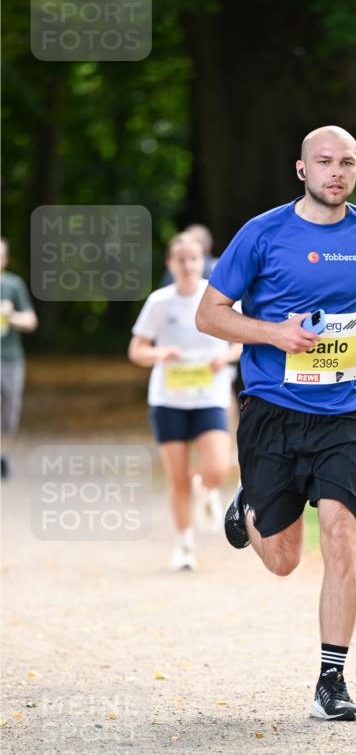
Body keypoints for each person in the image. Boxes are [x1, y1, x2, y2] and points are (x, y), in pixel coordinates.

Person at [195, 125, 356, 721]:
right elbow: (209, 315)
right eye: (325, 162)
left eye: (349, 163)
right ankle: (250, 512)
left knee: (340, 534)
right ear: (301, 169)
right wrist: (273, 333)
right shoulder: (261, 234)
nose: (337, 172)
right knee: (284, 560)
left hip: (344, 411)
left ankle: (331, 683)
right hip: (272, 412)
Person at [129, 233, 241, 571]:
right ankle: (184, 545)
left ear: (202, 261)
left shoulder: (219, 298)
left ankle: (205, 487)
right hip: (168, 399)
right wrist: (160, 353)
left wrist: (226, 358)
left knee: (219, 467)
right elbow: (137, 350)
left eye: (193, 258)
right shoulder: (160, 302)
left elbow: (243, 341)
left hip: (209, 396)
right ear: (170, 264)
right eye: (180, 259)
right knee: (176, 478)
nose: (188, 265)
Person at [0, 238, 38, 479]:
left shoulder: (14, 286)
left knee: (8, 412)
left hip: (10, 358)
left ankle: (3, 456)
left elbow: (31, 321)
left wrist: (11, 314)